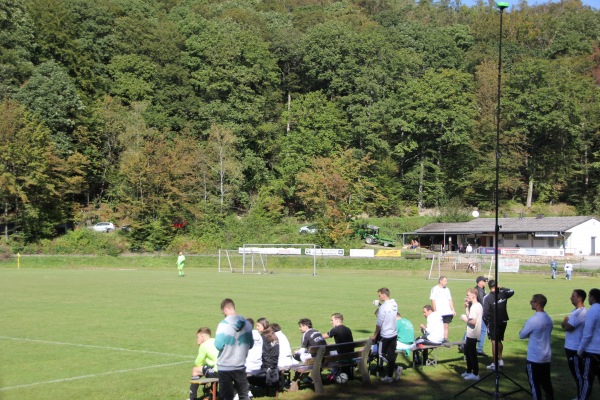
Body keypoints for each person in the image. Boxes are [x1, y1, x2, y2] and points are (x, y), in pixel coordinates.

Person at [214, 298, 254, 400]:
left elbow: (218, 345)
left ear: (225, 309)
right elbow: (251, 344)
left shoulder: (223, 325)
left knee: (226, 396)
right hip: (240, 365)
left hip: (225, 366)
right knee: (244, 395)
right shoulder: (248, 324)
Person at [519, 294, 554, 400]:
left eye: (532, 301)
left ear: (537, 303)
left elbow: (522, 334)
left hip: (534, 357)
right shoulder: (548, 319)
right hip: (546, 356)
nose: (531, 303)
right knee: (546, 382)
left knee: (534, 384)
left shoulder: (533, 320)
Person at [370, 287, 400, 382]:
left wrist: (374, 336)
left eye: (379, 295)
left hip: (385, 335)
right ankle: (390, 377)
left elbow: (379, 323)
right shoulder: (394, 304)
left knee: (381, 354)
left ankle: (396, 368)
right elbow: (388, 311)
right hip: (394, 333)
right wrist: (379, 305)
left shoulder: (383, 307)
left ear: (383, 295)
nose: (379, 297)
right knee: (391, 355)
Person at [483, 280, 514, 370]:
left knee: (494, 341)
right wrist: (502, 287)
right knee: (499, 340)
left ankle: (494, 363)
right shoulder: (503, 293)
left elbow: (485, 313)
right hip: (504, 320)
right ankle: (500, 359)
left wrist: (487, 322)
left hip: (494, 322)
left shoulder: (487, 298)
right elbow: (512, 291)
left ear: (489, 287)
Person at [562, 289, 587, 400]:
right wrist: (565, 322)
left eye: (573, 296)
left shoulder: (582, 312)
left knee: (579, 375)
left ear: (579, 298)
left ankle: (581, 397)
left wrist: (565, 322)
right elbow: (564, 325)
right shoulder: (575, 311)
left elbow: (568, 327)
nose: (570, 297)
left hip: (575, 349)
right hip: (570, 347)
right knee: (576, 374)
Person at [577, 288, 600, 400]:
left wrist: (580, 350)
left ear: (593, 298)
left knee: (587, 379)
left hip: (593, 351)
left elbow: (588, 333)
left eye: (589, 296)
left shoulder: (593, 311)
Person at [189, 327, 219, 400]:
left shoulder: (204, 345)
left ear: (202, 337)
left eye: (198, 337)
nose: (197, 339)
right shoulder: (216, 340)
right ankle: (212, 394)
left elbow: (198, 362)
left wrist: (203, 369)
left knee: (195, 370)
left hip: (218, 372)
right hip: (227, 370)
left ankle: (193, 398)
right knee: (208, 368)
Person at [322, 313, 354, 379]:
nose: (331, 322)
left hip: (342, 356)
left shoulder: (335, 329)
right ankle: (335, 371)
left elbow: (322, 337)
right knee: (331, 349)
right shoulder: (348, 329)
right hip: (350, 356)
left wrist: (314, 335)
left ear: (337, 320)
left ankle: (334, 373)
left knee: (325, 352)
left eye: (332, 320)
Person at [460, 288, 483, 381]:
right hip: (471, 333)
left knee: (472, 354)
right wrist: (466, 308)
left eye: (468, 295)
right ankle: (469, 370)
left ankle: (475, 373)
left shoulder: (475, 307)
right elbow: (471, 316)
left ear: (473, 296)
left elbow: (472, 321)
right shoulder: (476, 305)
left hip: (473, 333)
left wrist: (464, 319)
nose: (466, 297)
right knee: (467, 352)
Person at [430, 276, 456, 342]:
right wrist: (435, 311)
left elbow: (450, 300)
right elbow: (433, 300)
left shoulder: (447, 289)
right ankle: (438, 338)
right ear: (440, 281)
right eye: (445, 281)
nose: (446, 282)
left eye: (447, 281)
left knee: (446, 325)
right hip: (439, 312)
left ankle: (445, 339)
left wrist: (453, 309)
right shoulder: (434, 289)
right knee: (439, 326)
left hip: (447, 311)